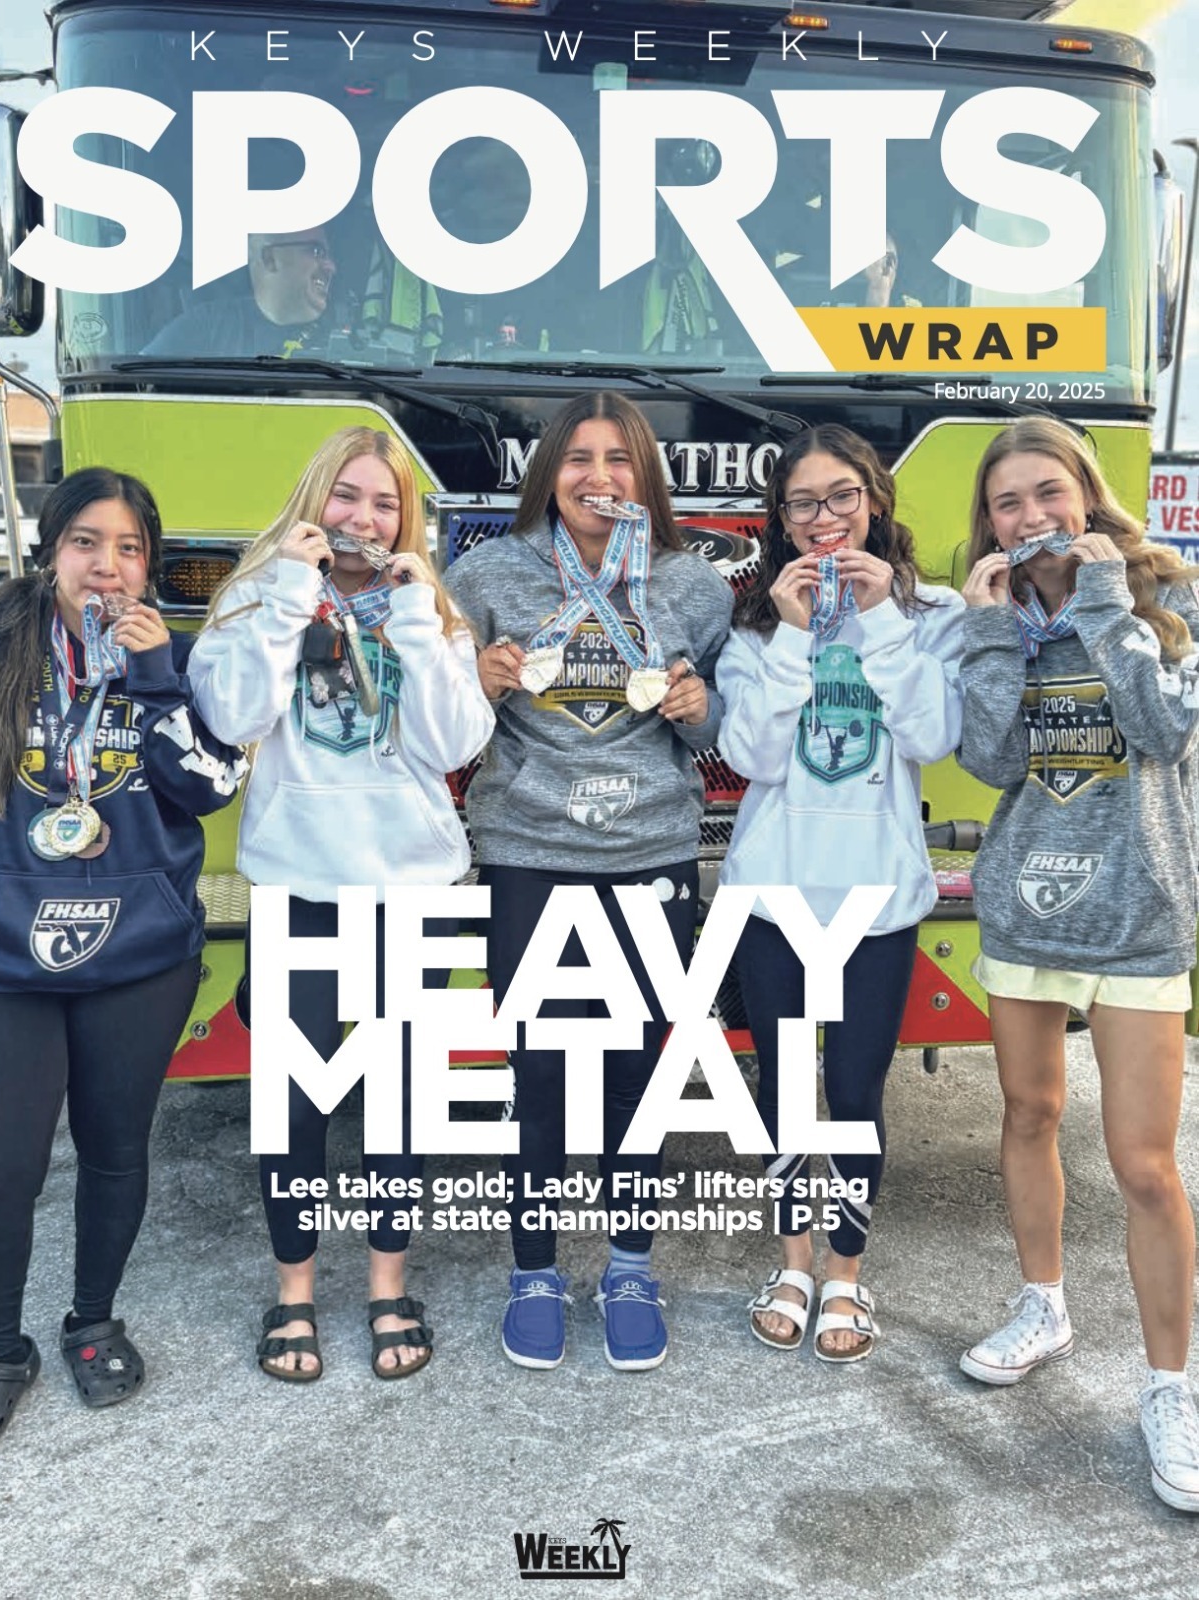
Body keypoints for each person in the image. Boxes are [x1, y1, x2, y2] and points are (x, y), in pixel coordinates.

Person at [0, 469, 248, 1453]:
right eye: (86, 542)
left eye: (128, 548)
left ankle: (92, 1321)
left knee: (118, 1149)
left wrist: (157, 677)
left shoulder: (179, 659)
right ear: (49, 553)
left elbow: (209, 786)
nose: (107, 566)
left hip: (138, 954)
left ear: (149, 566)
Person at [188, 427, 494, 1383]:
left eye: (386, 503)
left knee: (401, 1101)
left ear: (408, 521)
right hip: (301, 886)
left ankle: (388, 1285)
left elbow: (453, 741)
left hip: (413, 889)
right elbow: (233, 720)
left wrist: (411, 609)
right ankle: (295, 1293)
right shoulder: (255, 601)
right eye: (348, 497)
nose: (364, 519)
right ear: (316, 500)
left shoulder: (429, 613)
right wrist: (285, 593)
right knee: (296, 1102)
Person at [445, 391, 734, 1373]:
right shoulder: (486, 574)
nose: (598, 476)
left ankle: (627, 1265)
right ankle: (533, 1269)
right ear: (547, 471)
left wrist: (698, 707)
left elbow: (713, 731)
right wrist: (473, 683)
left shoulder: (694, 586)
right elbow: (449, 726)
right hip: (529, 851)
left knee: (637, 1077)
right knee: (538, 1072)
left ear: (645, 475)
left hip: (649, 851)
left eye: (618, 458)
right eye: (578, 457)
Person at [958, 417, 1199, 1512]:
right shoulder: (1001, 614)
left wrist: (1105, 608)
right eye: (1009, 502)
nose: (1031, 515)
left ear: (1089, 494)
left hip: (1140, 915)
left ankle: (1167, 1386)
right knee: (1025, 1116)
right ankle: (1043, 1304)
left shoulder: (1168, 595)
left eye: (1047, 491)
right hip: (1026, 912)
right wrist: (990, 635)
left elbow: (1160, 733)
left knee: (1146, 1165)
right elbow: (993, 756)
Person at [716, 425, 964, 1362]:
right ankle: (791, 1262)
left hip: (878, 900)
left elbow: (931, 733)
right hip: (775, 898)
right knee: (784, 1090)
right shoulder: (753, 625)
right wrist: (789, 632)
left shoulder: (925, 613)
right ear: (779, 521)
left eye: (842, 498)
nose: (825, 520)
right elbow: (751, 756)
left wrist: (881, 620)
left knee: (856, 1092)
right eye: (803, 503)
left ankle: (848, 1274)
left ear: (875, 503)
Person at [144, 227, 337, 358]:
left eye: (328, 255)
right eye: (316, 251)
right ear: (270, 258)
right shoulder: (209, 326)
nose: (330, 267)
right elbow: (137, 384)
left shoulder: (348, 335)